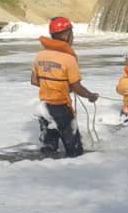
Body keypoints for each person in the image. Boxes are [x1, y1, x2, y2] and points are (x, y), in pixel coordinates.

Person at [31, 17, 98, 157]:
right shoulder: (69, 59)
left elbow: (35, 81)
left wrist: (54, 84)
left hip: (43, 109)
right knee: (75, 152)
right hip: (62, 110)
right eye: (71, 33)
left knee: (48, 151)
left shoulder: (39, 56)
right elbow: (77, 87)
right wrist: (90, 96)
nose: (73, 37)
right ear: (66, 35)